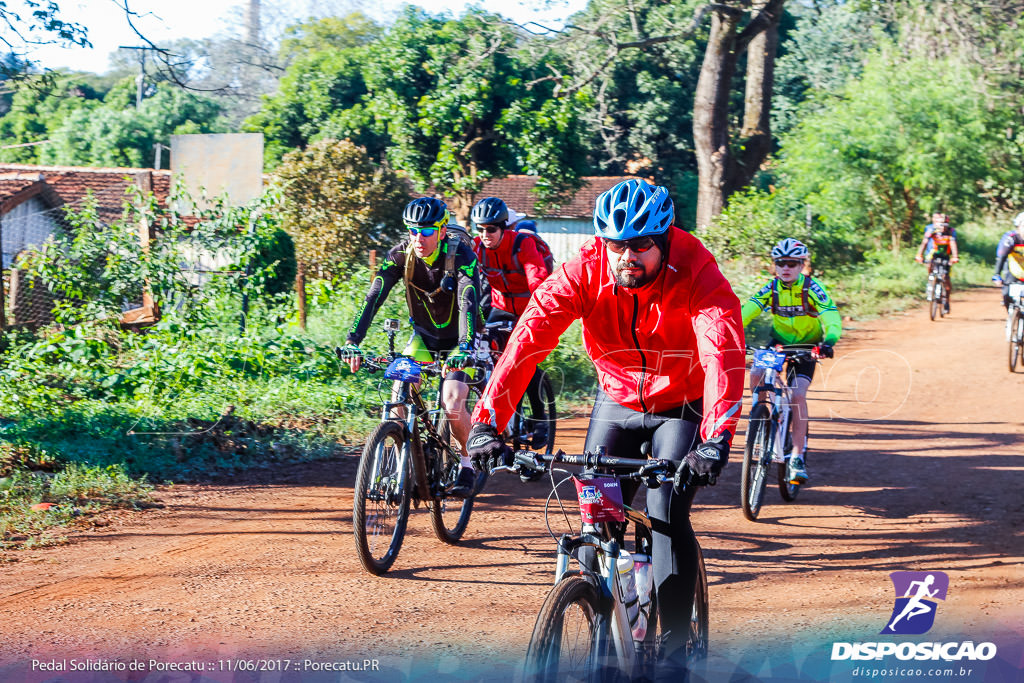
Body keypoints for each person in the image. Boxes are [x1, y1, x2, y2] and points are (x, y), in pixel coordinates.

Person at [465, 179, 746, 673]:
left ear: (663, 240)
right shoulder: (585, 270)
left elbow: (720, 350)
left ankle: (677, 654)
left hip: (682, 402)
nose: (627, 257)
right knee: (598, 516)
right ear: (601, 242)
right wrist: (488, 423)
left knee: (664, 514)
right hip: (616, 397)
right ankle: (607, 623)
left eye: (640, 246)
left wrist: (715, 438)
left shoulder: (697, 269)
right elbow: (530, 336)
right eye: (616, 245)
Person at [341, 196, 481, 498]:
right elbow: (373, 297)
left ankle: (467, 463)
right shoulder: (400, 256)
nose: (419, 238)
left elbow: (467, 301)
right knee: (397, 395)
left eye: (427, 231)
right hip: (423, 337)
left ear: (442, 231)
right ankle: (403, 459)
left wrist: (464, 347)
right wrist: (353, 341)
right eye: (413, 231)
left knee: (452, 401)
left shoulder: (462, 257)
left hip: (461, 339)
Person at [741, 238, 842, 485]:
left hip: (808, 347)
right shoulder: (771, 288)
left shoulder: (812, 288)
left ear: (801, 266)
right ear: (774, 265)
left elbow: (831, 315)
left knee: (797, 395)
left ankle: (796, 456)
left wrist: (828, 341)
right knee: (756, 373)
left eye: (792, 264)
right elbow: (747, 311)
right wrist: (730, 333)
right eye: (780, 263)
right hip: (778, 344)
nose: (786, 268)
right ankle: (764, 417)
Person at [471, 196, 553, 446]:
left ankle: (540, 421)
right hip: (501, 307)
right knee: (484, 352)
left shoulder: (523, 244)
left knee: (525, 360)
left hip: (529, 307)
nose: (486, 234)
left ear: (504, 227)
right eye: (481, 229)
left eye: (491, 229)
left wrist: (535, 316)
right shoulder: (476, 247)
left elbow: (537, 282)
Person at [914, 212, 959, 312]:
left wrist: (955, 257)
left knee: (946, 278)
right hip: (935, 253)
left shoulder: (951, 232)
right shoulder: (931, 230)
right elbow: (924, 243)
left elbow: (953, 244)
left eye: (944, 225)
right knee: (929, 262)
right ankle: (931, 280)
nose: (942, 227)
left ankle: (946, 300)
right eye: (940, 225)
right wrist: (919, 255)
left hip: (946, 255)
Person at [993, 212, 1024, 308]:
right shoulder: (1011, 238)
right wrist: (997, 274)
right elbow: (1002, 256)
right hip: (1013, 270)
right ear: (1018, 227)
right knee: (1006, 295)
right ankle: (1011, 318)